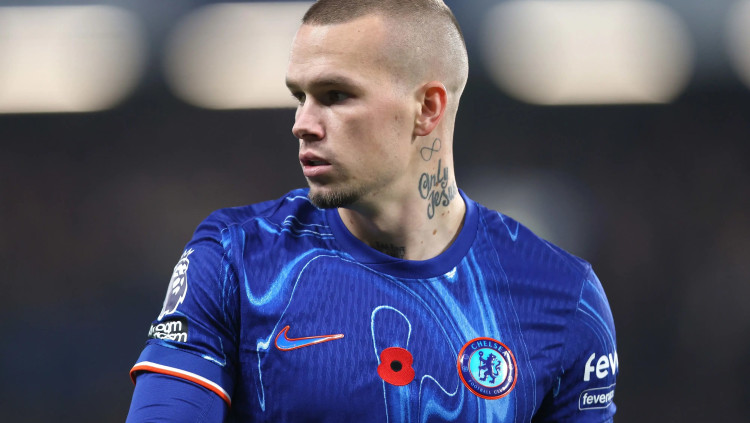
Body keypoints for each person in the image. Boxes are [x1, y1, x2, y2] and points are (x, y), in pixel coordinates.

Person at [126, 0, 618, 421]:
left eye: (335, 96)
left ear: (427, 107)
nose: (302, 123)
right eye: (300, 96)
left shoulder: (564, 298)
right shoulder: (236, 260)